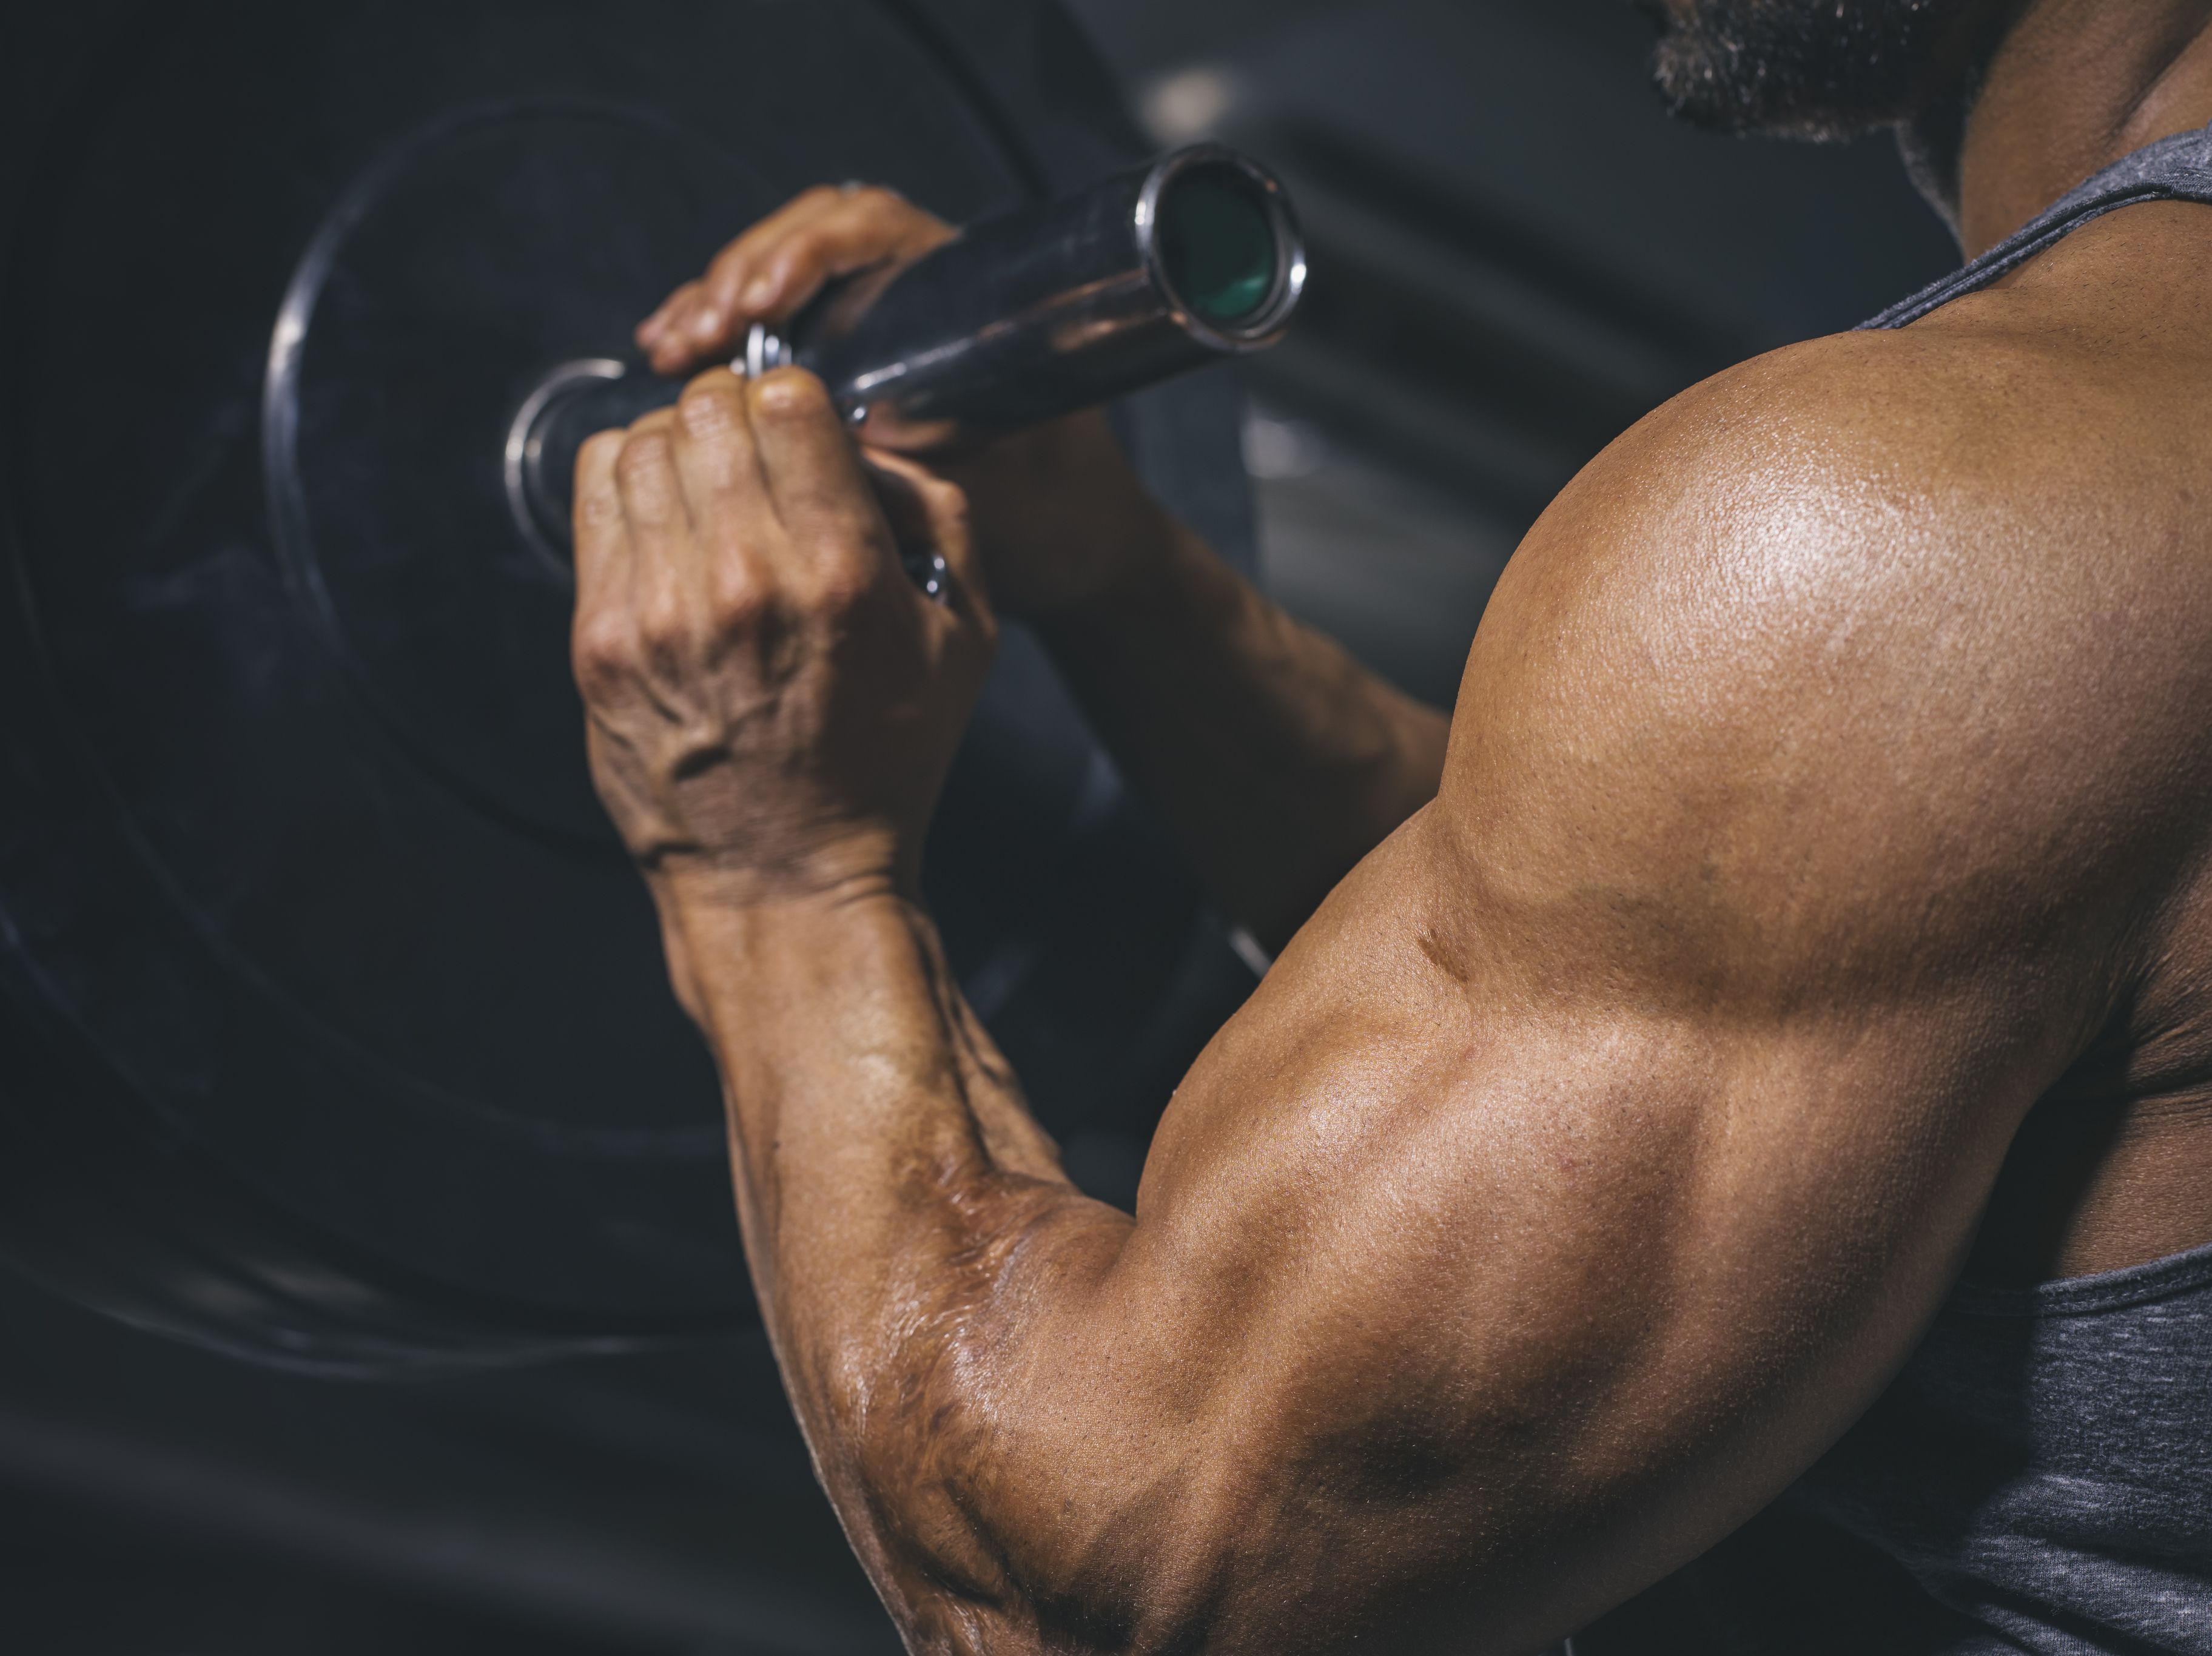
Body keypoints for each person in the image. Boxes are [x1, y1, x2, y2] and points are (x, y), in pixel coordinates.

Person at [565, 0, 2212, 1648]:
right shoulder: (2089, 519)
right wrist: (1123, 580)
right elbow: (1767, 915)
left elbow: (1120, 1582)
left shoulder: (1950, 521)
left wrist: (773, 869)